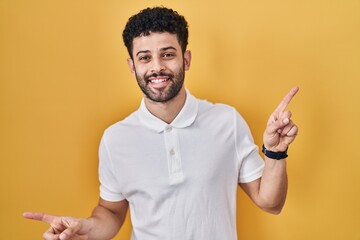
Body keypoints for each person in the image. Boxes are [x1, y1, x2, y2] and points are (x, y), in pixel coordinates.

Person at [23, 7, 299, 240]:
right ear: (132, 66)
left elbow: (271, 203)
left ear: (185, 59)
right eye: (145, 57)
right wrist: (85, 229)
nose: (157, 67)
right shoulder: (115, 139)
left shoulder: (227, 121)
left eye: (167, 54)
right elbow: (111, 212)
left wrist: (275, 151)